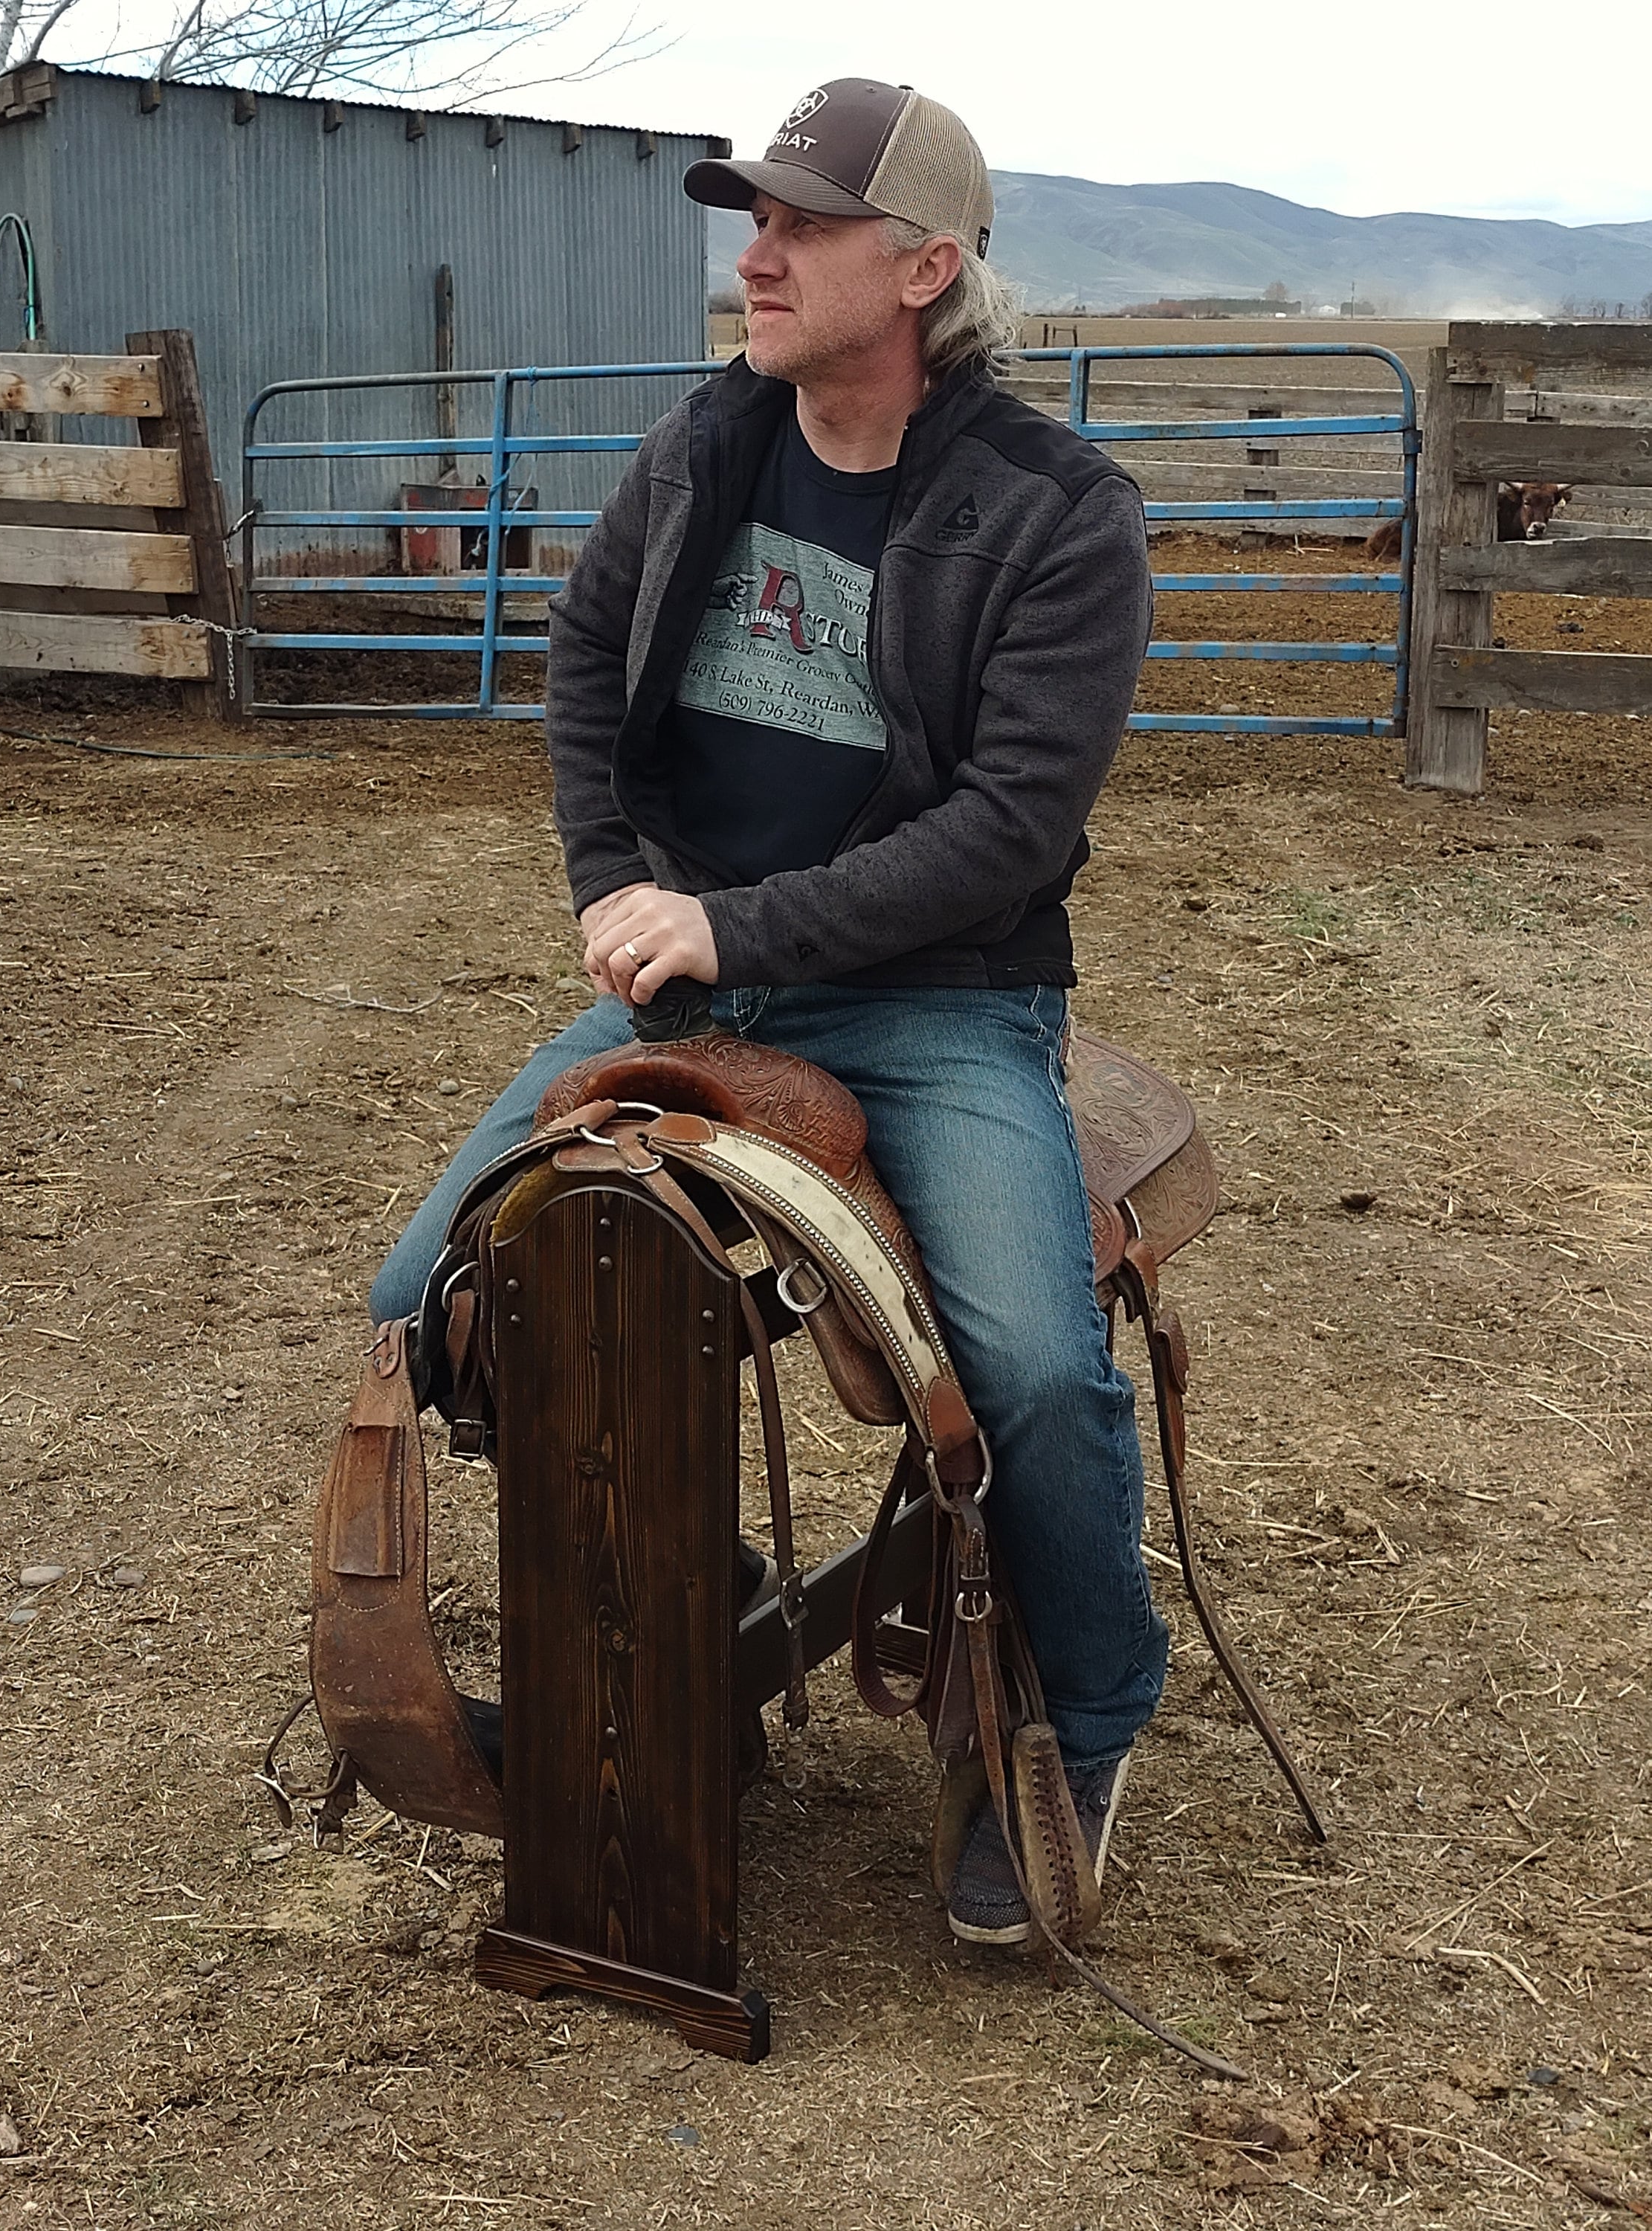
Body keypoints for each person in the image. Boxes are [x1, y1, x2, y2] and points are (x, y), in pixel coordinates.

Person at [370, 75, 1167, 1946]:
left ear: (928, 267)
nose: (759, 255)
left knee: (1038, 1374)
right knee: (431, 1304)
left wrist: (727, 921)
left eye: (802, 225)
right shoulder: (712, 442)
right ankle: (692, 1597)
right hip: (704, 969)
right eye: (757, 217)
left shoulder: (1060, 515)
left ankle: (1085, 1711)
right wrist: (605, 887)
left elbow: (1007, 830)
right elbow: (580, 652)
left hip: (944, 1000)